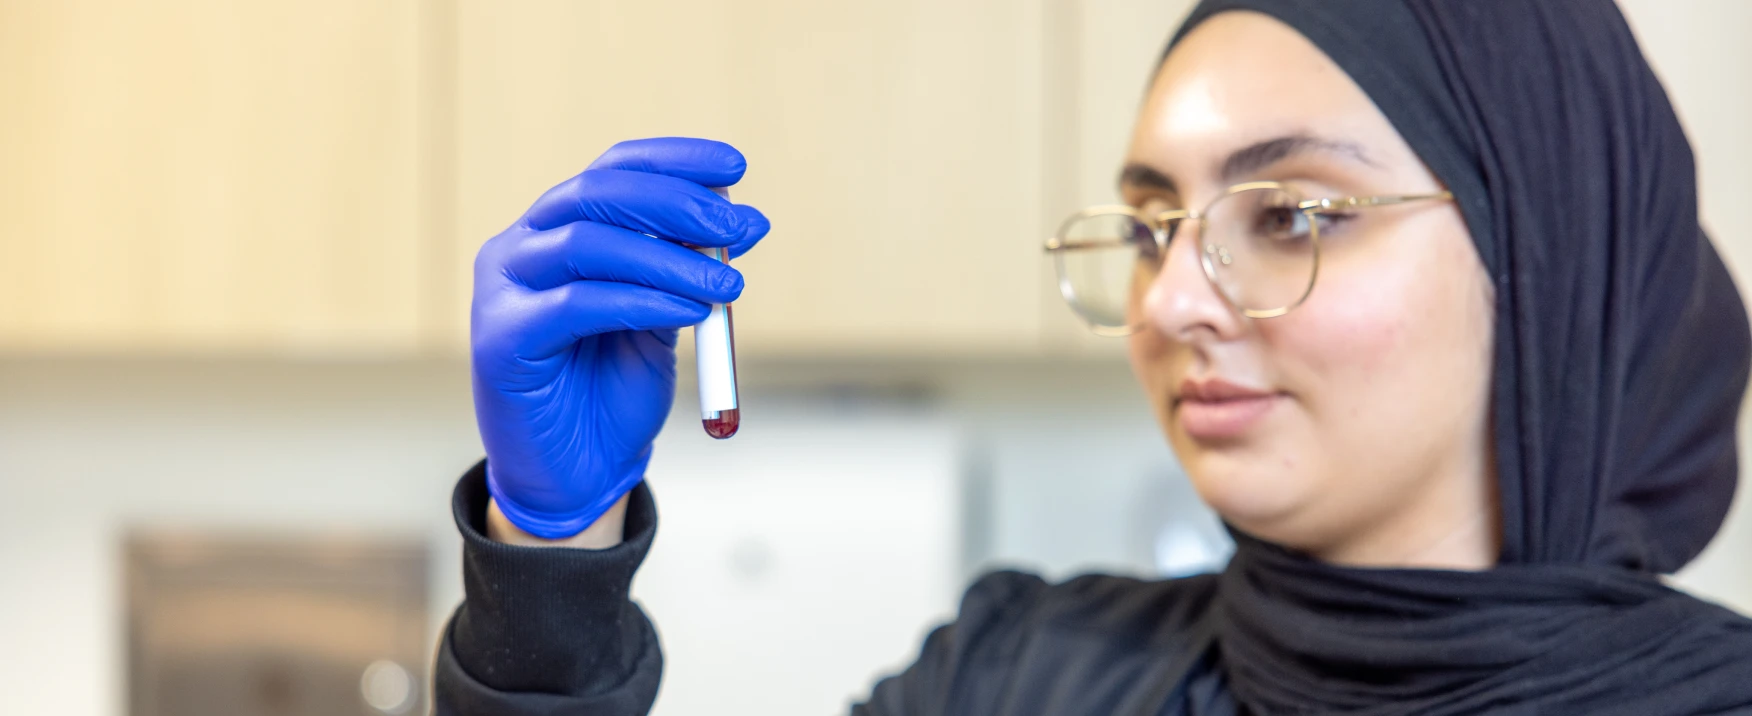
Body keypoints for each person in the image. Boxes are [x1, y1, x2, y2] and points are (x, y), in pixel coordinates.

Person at [433, 0, 1752, 713]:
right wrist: (552, 564)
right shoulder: (1017, 676)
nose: (1173, 297)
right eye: (1146, 226)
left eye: (1290, 214)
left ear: (1553, 252)